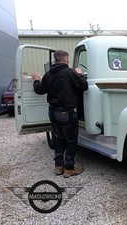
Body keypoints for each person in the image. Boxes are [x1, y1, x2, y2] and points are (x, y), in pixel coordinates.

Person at [32, 50, 88, 178]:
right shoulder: (71, 73)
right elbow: (84, 86)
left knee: (59, 138)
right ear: (67, 60)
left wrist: (35, 80)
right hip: (66, 113)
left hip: (52, 112)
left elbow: (39, 90)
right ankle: (69, 168)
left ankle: (58, 167)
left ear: (55, 60)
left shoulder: (48, 75)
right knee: (71, 141)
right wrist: (79, 74)